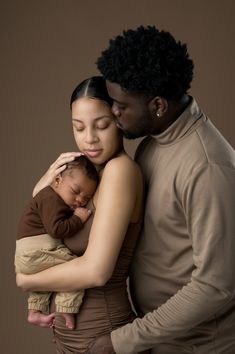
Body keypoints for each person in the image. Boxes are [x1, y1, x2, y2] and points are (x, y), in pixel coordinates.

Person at [82, 25, 235, 354]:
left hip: (200, 347)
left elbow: (217, 285)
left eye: (122, 105)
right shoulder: (153, 143)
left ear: (158, 106)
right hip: (159, 339)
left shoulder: (208, 168)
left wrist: (121, 341)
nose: (113, 112)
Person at [16, 76, 148, 354]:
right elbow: (43, 233)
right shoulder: (88, 179)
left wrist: (28, 281)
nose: (89, 138)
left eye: (102, 125)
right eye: (79, 127)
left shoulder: (119, 171)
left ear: (120, 120)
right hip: (73, 340)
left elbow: (96, 271)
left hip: (103, 336)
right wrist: (43, 185)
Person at [15, 156, 99, 330]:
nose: (80, 200)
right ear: (58, 180)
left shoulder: (51, 198)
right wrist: (78, 218)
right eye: (76, 191)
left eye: (86, 197)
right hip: (37, 252)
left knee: (46, 281)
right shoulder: (50, 198)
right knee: (75, 271)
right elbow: (57, 230)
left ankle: (35, 312)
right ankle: (66, 308)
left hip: (29, 257)